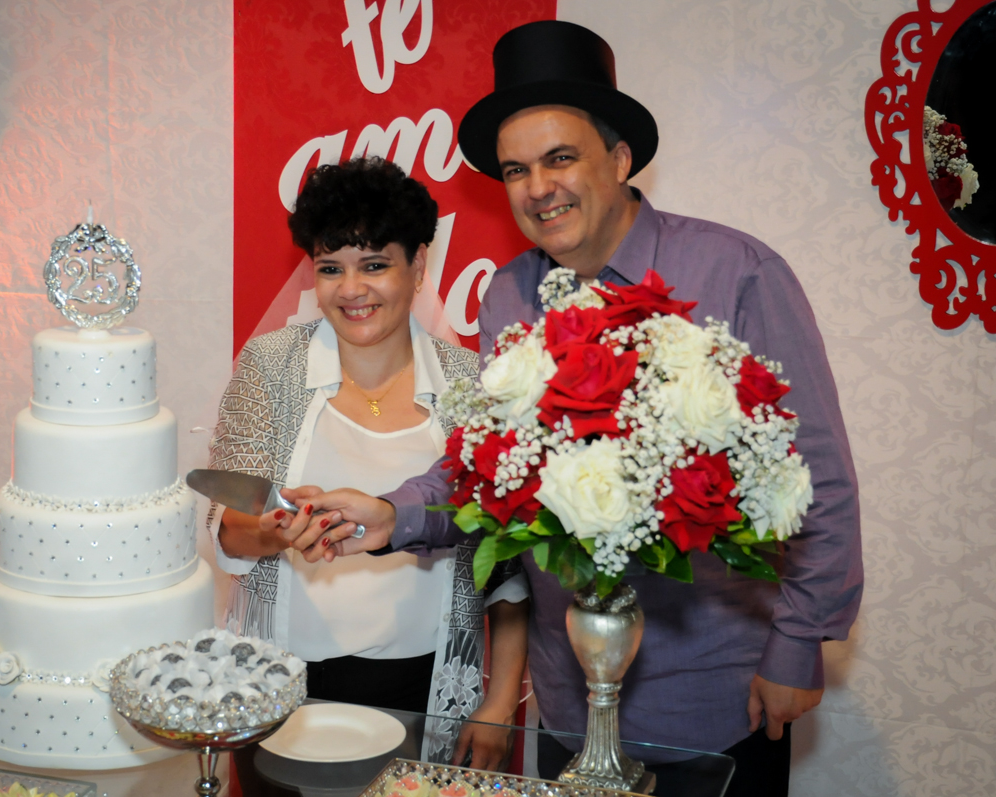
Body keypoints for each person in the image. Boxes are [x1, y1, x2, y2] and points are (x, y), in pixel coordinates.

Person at [288, 21, 863, 795]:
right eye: (516, 168)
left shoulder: (736, 271)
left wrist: (799, 641)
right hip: (567, 703)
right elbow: (488, 468)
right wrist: (393, 514)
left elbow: (816, 470)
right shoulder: (508, 297)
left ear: (620, 158)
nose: (537, 187)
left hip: (714, 691)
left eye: (561, 158)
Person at [206, 157, 529, 768]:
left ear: (418, 266)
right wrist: (276, 531)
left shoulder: (470, 385)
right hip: (282, 685)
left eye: (375, 264)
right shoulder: (271, 364)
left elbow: (506, 563)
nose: (351, 289)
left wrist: (501, 701)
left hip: (428, 686)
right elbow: (227, 524)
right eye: (331, 269)